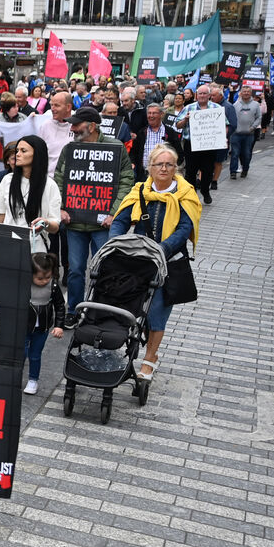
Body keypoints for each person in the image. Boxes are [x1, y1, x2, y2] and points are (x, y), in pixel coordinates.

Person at [108, 145, 201, 381]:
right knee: (131, 307)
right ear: (149, 167)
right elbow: (120, 220)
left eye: (170, 164)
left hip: (169, 263)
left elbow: (184, 229)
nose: (164, 168)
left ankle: (149, 359)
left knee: (157, 312)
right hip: (140, 261)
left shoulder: (186, 193)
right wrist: (116, 243)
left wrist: (162, 249)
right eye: (159, 164)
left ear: (176, 168)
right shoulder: (139, 191)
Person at [53, 106, 134, 327]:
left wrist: (113, 212)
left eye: (76, 124)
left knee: (104, 270)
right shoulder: (70, 149)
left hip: (102, 225)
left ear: (92, 126)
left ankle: (99, 311)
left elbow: (126, 180)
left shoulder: (115, 148)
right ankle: (73, 310)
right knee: (75, 270)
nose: (72, 128)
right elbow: (59, 179)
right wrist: (61, 208)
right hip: (75, 223)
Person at [0, 135, 61, 253]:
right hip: (7, 246)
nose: (17, 154)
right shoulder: (7, 180)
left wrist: (45, 223)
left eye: (23, 151)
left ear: (37, 155)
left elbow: (55, 226)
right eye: (17, 151)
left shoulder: (50, 185)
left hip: (36, 250)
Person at [23, 252, 66, 396]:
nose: (44, 281)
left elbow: (60, 305)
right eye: (40, 278)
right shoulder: (24, 284)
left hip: (42, 327)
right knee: (21, 352)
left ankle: (33, 380)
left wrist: (59, 325)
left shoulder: (53, 286)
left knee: (35, 355)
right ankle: (15, 376)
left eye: (48, 277)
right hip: (24, 325)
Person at [174, 84, 221, 205]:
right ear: (196, 95)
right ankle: (192, 195)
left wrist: (222, 137)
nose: (202, 96)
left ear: (209, 95)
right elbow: (177, 124)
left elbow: (224, 124)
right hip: (191, 145)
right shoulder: (189, 108)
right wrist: (185, 120)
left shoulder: (216, 108)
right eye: (200, 93)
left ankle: (205, 191)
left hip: (210, 145)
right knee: (190, 171)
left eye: (205, 93)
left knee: (208, 171)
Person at [127, 103, 181, 183]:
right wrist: (133, 163)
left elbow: (179, 154)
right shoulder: (142, 132)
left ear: (161, 114)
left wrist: (171, 168)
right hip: (144, 176)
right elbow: (134, 152)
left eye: (154, 113)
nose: (151, 116)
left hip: (165, 176)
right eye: (149, 113)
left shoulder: (170, 133)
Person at [36, 90, 76, 174]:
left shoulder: (77, 126)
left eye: (57, 105)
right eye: (51, 105)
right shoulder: (45, 126)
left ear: (68, 107)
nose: (52, 109)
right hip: (48, 177)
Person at [229, 86, 261, 180]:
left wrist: (253, 127)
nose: (246, 93)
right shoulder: (236, 105)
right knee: (235, 154)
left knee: (247, 154)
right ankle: (233, 172)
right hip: (236, 134)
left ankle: (245, 169)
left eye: (248, 91)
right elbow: (231, 117)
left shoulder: (256, 105)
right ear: (241, 93)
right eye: (244, 91)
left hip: (249, 135)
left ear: (251, 93)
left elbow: (259, 117)